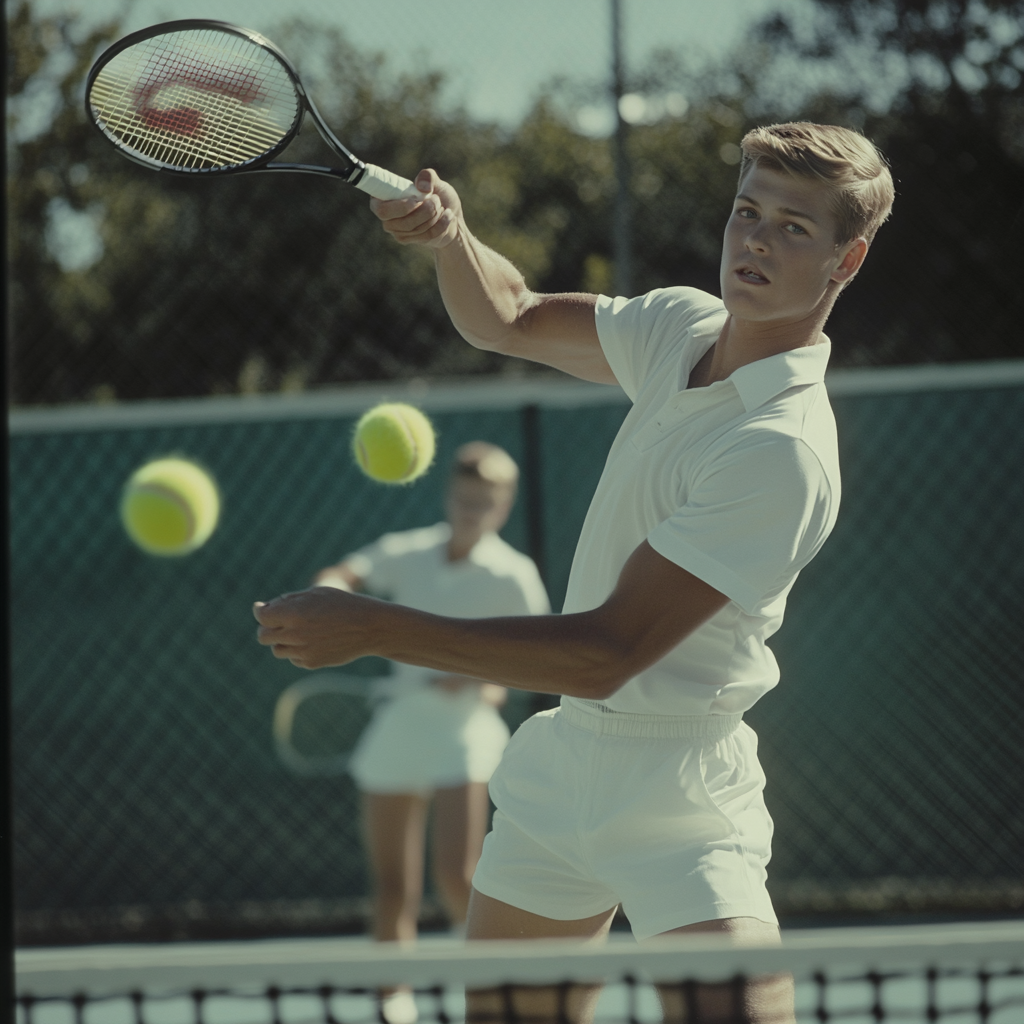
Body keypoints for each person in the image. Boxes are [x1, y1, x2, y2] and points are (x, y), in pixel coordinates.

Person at [255, 122, 894, 1024]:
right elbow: (507, 314)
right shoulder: (680, 324)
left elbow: (606, 652)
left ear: (847, 260)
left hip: (682, 790)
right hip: (560, 771)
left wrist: (370, 627)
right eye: (747, 211)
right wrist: (451, 238)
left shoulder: (780, 450)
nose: (754, 240)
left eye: (794, 228)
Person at [313, 442, 549, 1022]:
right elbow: (343, 574)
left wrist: (480, 678)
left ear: (503, 505)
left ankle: (490, 988)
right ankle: (393, 999)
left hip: (465, 736)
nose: (473, 510)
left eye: (485, 502)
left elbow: (537, 657)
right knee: (393, 884)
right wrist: (327, 597)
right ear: (449, 495)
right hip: (399, 731)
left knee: (456, 873)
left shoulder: (514, 575)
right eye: (466, 498)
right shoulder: (408, 552)